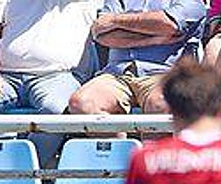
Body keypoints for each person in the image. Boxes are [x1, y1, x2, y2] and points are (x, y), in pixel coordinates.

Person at [0, 0, 100, 115]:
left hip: (58, 77)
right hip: (6, 77)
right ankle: (9, 145)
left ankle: (26, 156)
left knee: (55, 110)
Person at [68, 0, 207, 115]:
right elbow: (100, 33)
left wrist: (115, 22)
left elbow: (168, 24)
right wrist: (154, 38)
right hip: (117, 74)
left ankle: (151, 149)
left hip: (165, 74)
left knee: (162, 102)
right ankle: (118, 147)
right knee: (81, 103)